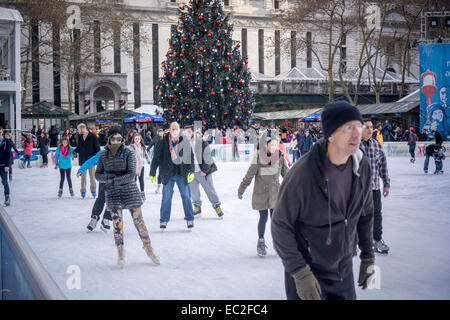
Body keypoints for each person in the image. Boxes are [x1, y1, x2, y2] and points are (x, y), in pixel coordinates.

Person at [271, 101, 375, 300]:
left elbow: (366, 213)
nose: (357, 134)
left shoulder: (362, 167)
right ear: (331, 134)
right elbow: (280, 225)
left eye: (359, 127)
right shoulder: (303, 174)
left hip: (342, 269)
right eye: (349, 128)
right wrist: (300, 272)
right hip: (308, 270)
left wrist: (368, 255)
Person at [95, 125, 159, 267]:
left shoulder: (128, 152)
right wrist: (109, 178)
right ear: (109, 139)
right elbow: (97, 175)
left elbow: (131, 175)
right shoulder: (103, 155)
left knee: (139, 222)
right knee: (118, 226)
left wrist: (112, 180)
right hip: (113, 194)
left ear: (122, 138)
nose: (116, 141)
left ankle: (149, 249)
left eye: (119, 138)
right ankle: (120, 253)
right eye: (113, 138)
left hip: (130, 191)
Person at [238, 135, 289, 257]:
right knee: (264, 217)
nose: (275, 147)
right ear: (266, 145)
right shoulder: (259, 157)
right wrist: (242, 188)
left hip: (275, 193)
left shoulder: (280, 156)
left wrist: (295, 185)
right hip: (261, 193)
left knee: (275, 219)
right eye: (272, 145)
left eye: (276, 144)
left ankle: (278, 243)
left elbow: (286, 173)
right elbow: (250, 174)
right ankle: (261, 241)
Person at [149, 122, 195, 230]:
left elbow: (191, 159)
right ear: (169, 130)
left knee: (186, 197)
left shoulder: (185, 142)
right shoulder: (163, 142)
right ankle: (164, 220)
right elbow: (156, 158)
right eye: (173, 129)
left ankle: (189, 219)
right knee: (166, 198)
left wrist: (191, 172)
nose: (175, 131)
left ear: (180, 130)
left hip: (181, 174)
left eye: (177, 128)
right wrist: (152, 172)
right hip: (167, 174)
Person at [360, 119, 391, 254]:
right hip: (357, 189)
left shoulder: (377, 146)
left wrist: (386, 184)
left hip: (374, 188)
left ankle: (377, 239)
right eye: (366, 127)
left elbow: (383, 167)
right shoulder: (353, 146)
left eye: (371, 127)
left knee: (377, 214)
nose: (370, 130)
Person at [184, 125, 224, 219]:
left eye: (189, 132)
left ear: (193, 132)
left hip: (203, 172)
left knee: (210, 190)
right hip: (192, 172)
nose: (187, 134)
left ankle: (217, 206)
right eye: (186, 132)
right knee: (194, 191)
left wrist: (205, 171)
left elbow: (208, 158)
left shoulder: (202, 142)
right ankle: (197, 207)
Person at [77, 149, 112, 232]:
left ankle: (106, 219)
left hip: (116, 181)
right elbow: (91, 161)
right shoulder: (103, 152)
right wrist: (82, 169)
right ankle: (94, 218)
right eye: (113, 140)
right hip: (104, 179)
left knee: (113, 201)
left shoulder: (123, 152)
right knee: (101, 199)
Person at [74, 123, 100, 198]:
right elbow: (79, 146)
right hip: (83, 159)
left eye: (79, 130)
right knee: (83, 177)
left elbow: (97, 148)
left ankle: (93, 191)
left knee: (92, 176)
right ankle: (83, 191)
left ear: (83, 129)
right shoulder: (80, 136)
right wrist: (75, 151)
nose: (78, 131)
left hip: (91, 160)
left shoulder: (93, 136)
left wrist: (96, 158)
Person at [130, 133, 151, 200]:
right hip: (133, 166)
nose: (137, 140)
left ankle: (142, 193)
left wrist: (149, 162)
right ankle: (134, 194)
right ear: (134, 139)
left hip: (141, 166)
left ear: (140, 139)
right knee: (134, 180)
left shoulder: (142, 147)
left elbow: (146, 155)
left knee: (141, 180)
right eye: (136, 139)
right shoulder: (131, 147)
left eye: (138, 139)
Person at [0, 127, 12, 206]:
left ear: (1, 131)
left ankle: (7, 197)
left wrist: (7, 165)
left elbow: (9, 154)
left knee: (4, 182)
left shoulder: (6, 141)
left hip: (3, 165)